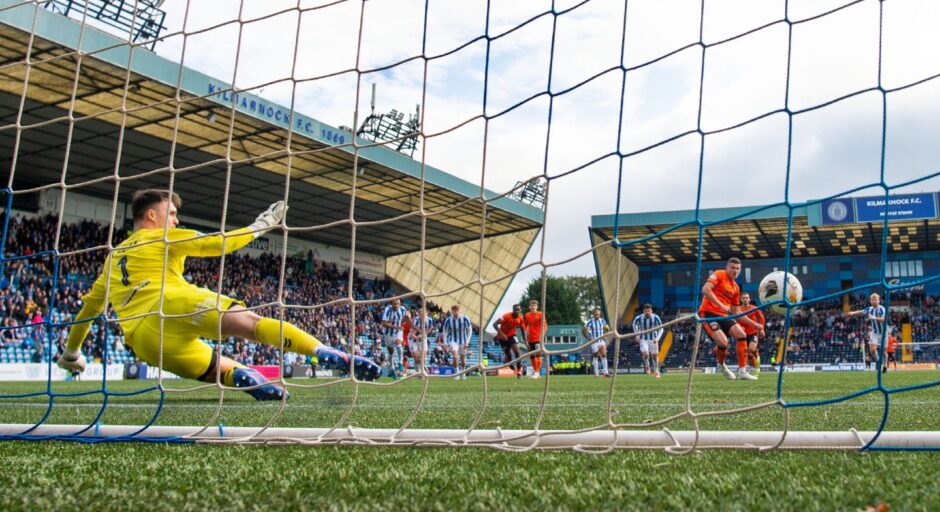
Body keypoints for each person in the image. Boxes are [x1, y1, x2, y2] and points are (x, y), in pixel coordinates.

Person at [57, 189, 381, 401]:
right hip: (173, 304)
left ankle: (245, 377)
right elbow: (218, 243)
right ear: (152, 216)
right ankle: (324, 351)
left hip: (143, 341)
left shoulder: (112, 258)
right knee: (253, 324)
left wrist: (72, 353)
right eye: (170, 213)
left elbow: (88, 309)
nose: (176, 219)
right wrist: (261, 225)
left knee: (217, 368)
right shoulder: (165, 237)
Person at [698, 257, 751, 380]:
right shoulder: (719, 274)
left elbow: (736, 311)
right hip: (708, 313)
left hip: (724, 315)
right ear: (726, 268)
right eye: (732, 268)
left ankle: (742, 371)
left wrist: (754, 325)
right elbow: (705, 289)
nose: (735, 271)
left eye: (738, 269)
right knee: (723, 342)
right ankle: (722, 366)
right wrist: (721, 305)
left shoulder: (736, 288)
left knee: (741, 334)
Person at [847, 293, 887, 371]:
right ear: (870, 301)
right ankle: (879, 362)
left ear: (879, 300)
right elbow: (861, 312)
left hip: (883, 333)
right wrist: (853, 313)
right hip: (875, 332)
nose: (874, 301)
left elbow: (883, 319)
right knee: (872, 350)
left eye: (875, 300)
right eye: (872, 300)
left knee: (884, 351)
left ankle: (885, 366)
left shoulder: (882, 308)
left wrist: (874, 317)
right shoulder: (869, 309)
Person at [737, 292, 765, 379]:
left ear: (749, 299)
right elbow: (735, 320)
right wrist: (739, 327)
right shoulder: (738, 309)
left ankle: (756, 361)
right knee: (747, 354)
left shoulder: (754, 308)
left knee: (751, 350)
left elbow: (761, 319)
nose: (745, 299)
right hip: (742, 334)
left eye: (746, 298)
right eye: (743, 298)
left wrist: (762, 329)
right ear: (741, 299)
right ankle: (753, 367)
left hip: (753, 332)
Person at [493, 304, 525, 378]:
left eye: (518, 310)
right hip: (502, 337)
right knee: (508, 354)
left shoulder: (520, 319)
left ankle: (519, 371)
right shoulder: (505, 316)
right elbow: (494, 324)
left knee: (517, 351)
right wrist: (502, 334)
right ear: (513, 310)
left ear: (520, 311)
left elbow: (522, 329)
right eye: (515, 309)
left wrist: (525, 341)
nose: (517, 311)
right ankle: (510, 364)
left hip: (512, 335)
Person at [442, 304, 473, 380]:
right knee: (455, 355)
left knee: (463, 358)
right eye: (454, 311)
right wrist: (445, 343)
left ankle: (463, 372)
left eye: (457, 310)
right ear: (452, 311)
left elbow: (470, 330)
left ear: (460, 311)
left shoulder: (465, 318)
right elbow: (445, 331)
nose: (456, 312)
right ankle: (456, 373)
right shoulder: (448, 320)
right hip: (453, 341)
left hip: (463, 341)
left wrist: (467, 341)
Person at [631, 303, 662, 378]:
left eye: (649, 311)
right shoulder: (639, 318)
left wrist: (657, 338)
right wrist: (637, 335)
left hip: (653, 339)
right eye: (646, 311)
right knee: (646, 354)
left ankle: (656, 371)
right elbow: (634, 325)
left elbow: (661, 328)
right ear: (643, 311)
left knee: (654, 356)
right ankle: (647, 365)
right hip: (643, 339)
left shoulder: (656, 317)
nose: (647, 312)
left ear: (651, 311)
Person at [381, 298, 408, 379]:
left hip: (398, 332)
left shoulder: (402, 309)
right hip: (388, 333)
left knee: (399, 344)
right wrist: (396, 326)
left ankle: (400, 362)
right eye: (394, 304)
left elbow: (406, 317)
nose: (396, 305)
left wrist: (404, 323)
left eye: (398, 304)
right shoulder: (387, 309)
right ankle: (392, 368)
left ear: (400, 304)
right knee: (391, 352)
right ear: (391, 303)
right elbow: (384, 323)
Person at [583, 307, 611, 377]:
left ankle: (606, 373)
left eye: (598, 314)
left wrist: (606, 336)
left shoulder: (603, 321)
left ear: (599, 314)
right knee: (595, 356)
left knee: (604, 355)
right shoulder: (590, 322)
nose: (597, 315)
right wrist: (589, 339)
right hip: (594, 342)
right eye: (595, 314)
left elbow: (607, 329)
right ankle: (596, 373)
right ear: (593, 314)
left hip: (601, 341)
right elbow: (583, 331)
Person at [523, 299, 546, 379]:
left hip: (538, 338)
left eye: (534, 305)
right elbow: (524, 326)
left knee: (538, 355)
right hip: (530, 339)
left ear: (537, 306)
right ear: (529, 307)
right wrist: (525, 334)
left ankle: (536, 372)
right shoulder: (527, 315)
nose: (533, 307)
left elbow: (545, 325)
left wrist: (542, 335)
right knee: (532, 356)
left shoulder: (540, 314)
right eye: (532, 305)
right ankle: (537, 373)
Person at [409, 307, 434, 373]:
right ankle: (418, 369)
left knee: (423, 357)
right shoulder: (415, 320)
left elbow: (430, 328)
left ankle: (421, 369)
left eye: (424, 314)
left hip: (423, 339)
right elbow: (411, 333)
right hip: (413, 339)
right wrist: (418, 337)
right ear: (419, 315)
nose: (423, 316)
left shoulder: (430, 320)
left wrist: (425, 334)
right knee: (416, 358)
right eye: (421, 315)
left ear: (427, 314)